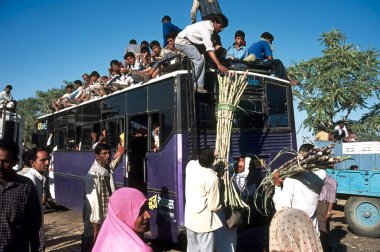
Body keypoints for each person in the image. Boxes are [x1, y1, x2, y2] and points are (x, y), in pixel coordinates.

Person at [0, 139, 44, 251]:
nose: (0, 165)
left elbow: (36, 225)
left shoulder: (26, 186)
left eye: (6, 161)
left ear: (15, 161)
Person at [272, 143, 327, 234]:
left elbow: (281, 208)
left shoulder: (291, 179)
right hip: (312, 228)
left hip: (296, 230)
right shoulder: (321, 175)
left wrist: (277, 186)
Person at [82, 143, 123, 252]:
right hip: (94, 218)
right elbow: (93, 202)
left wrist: (122, 149)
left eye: (108, 153)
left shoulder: (106, 170)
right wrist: (96, 224)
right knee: (90, 243)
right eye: (103, 154)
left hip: (104, 216)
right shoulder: (93, 176)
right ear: (97, 156)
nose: (107, 156)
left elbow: (115, 163)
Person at [175, 14, 229, 93]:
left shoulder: (209, 25)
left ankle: (199, 86)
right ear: (215, 23)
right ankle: (191, 85)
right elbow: (210, 50)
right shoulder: (206, 29)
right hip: (182, 42)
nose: (221, 30)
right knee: (199, 60)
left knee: (202, 59)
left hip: (191, 42)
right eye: (221, 27)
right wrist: (218, 64)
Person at [185, 147, 223, 252]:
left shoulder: (190, 167)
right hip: (204, 224)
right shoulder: (212, 177)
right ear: (212, 160)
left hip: (190, 220)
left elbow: (196, 161)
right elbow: (213, 206)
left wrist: (209, 156)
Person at [92, 188, 153, 252]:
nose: (148, 216)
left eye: (146, 209)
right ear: (124, 214)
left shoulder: (102, 242)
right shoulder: (141, 250)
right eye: (140, 212)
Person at [316, 174, 337, 252]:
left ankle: (325, 249)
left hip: (323, 205)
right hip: (317, 204)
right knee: (319, 227)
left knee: (323, 228)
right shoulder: (317, 178)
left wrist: (329, 211)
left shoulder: (330, 180)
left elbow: (332, 197)